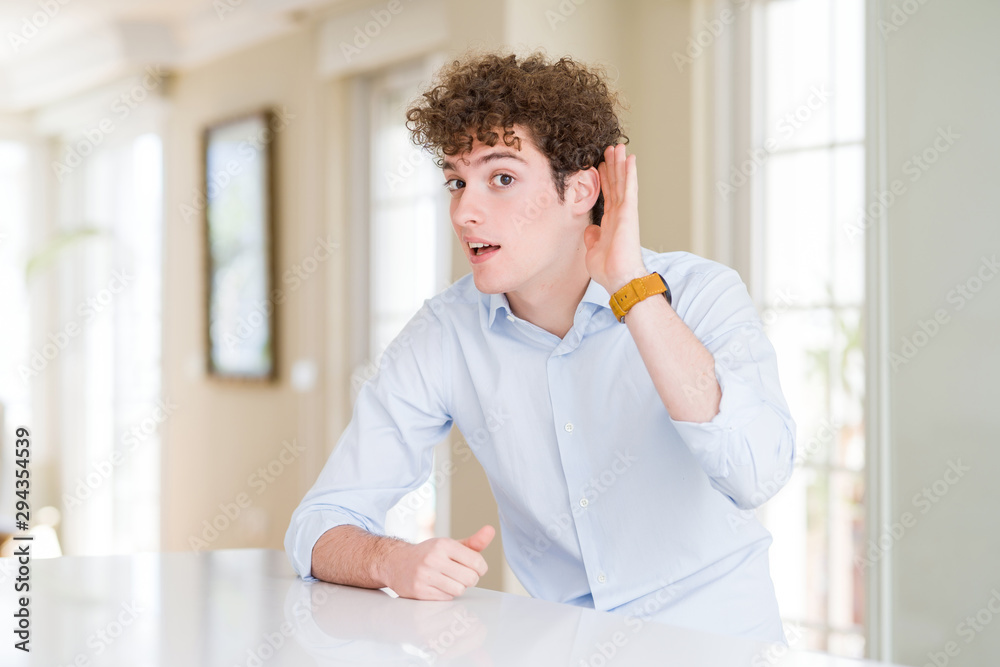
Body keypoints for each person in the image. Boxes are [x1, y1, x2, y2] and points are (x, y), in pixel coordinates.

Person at [285, 51, 796, 645]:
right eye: (457, 181)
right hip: (562, 643)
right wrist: (392, 562)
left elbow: (756, 473)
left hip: (720, 644)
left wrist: (633, 292)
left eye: (501, 178)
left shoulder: (700, 294)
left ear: (581, 190)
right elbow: (319, 523)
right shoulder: (445, 333)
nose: (464, 211)